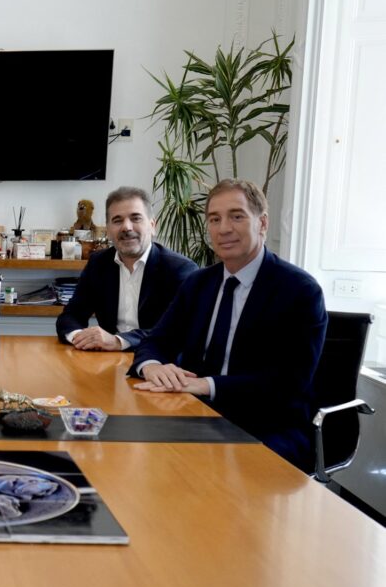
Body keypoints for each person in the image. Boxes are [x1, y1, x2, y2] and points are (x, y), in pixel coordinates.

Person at [131, 179, 327, 470]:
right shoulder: (198, 283)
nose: (223, 228)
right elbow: (155, 341)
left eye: (237, 216)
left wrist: (206, 385)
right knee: (128, 453)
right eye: (214, 219)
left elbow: (288, 383)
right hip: (194, 413)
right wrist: (153, 367)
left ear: (262, 223)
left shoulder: (299, 290)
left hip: (268, 424)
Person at [56, 186, 196, 351]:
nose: (126, 227)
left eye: (136, 218)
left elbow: (177, 330)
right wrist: (79, 337)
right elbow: (72, 314)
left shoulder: (179, 269)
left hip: (160, 362)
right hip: (108, 361)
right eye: (117, 220)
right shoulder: (99, 263)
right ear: (108, 230)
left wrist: (118, 341)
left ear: (152, 226)